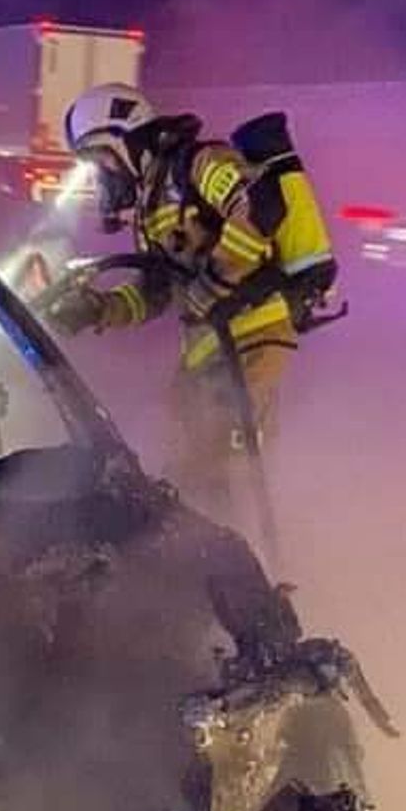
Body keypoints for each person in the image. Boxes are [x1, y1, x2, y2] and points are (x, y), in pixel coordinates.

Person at [47, 86, 338, 518]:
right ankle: (189, 548)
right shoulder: (151, 209)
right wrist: (98, 308)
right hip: (205, 353)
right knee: (181, 471)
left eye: (101, 161)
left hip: (252, 338)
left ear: (124, 140)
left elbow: (258, 208)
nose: (103, 176)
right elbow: (156, 291)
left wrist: (216, 279)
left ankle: (247, 553)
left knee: (222, 471)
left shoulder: (199, 163)